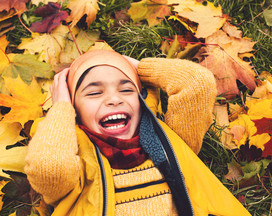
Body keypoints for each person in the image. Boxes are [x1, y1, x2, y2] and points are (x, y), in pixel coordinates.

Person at [24, 49, 251, 216]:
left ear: (140, 99)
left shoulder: (170, 141)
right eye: (94, 93)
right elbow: (48, 167)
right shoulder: (76, 166)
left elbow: (197, 83)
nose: (114, 99)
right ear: (75, 110)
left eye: (126, 89)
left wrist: (140, 68)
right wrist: (61, 107)